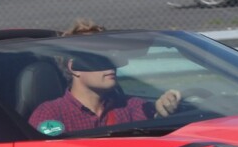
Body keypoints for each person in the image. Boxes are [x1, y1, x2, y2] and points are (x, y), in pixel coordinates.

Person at [28, 45, 181, 134]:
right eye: (100, 59)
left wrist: (164, 109)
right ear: (73, 67)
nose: (110, 65)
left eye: (112, 58)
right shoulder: (50, 115)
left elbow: (155, 135)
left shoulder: (132, 107)